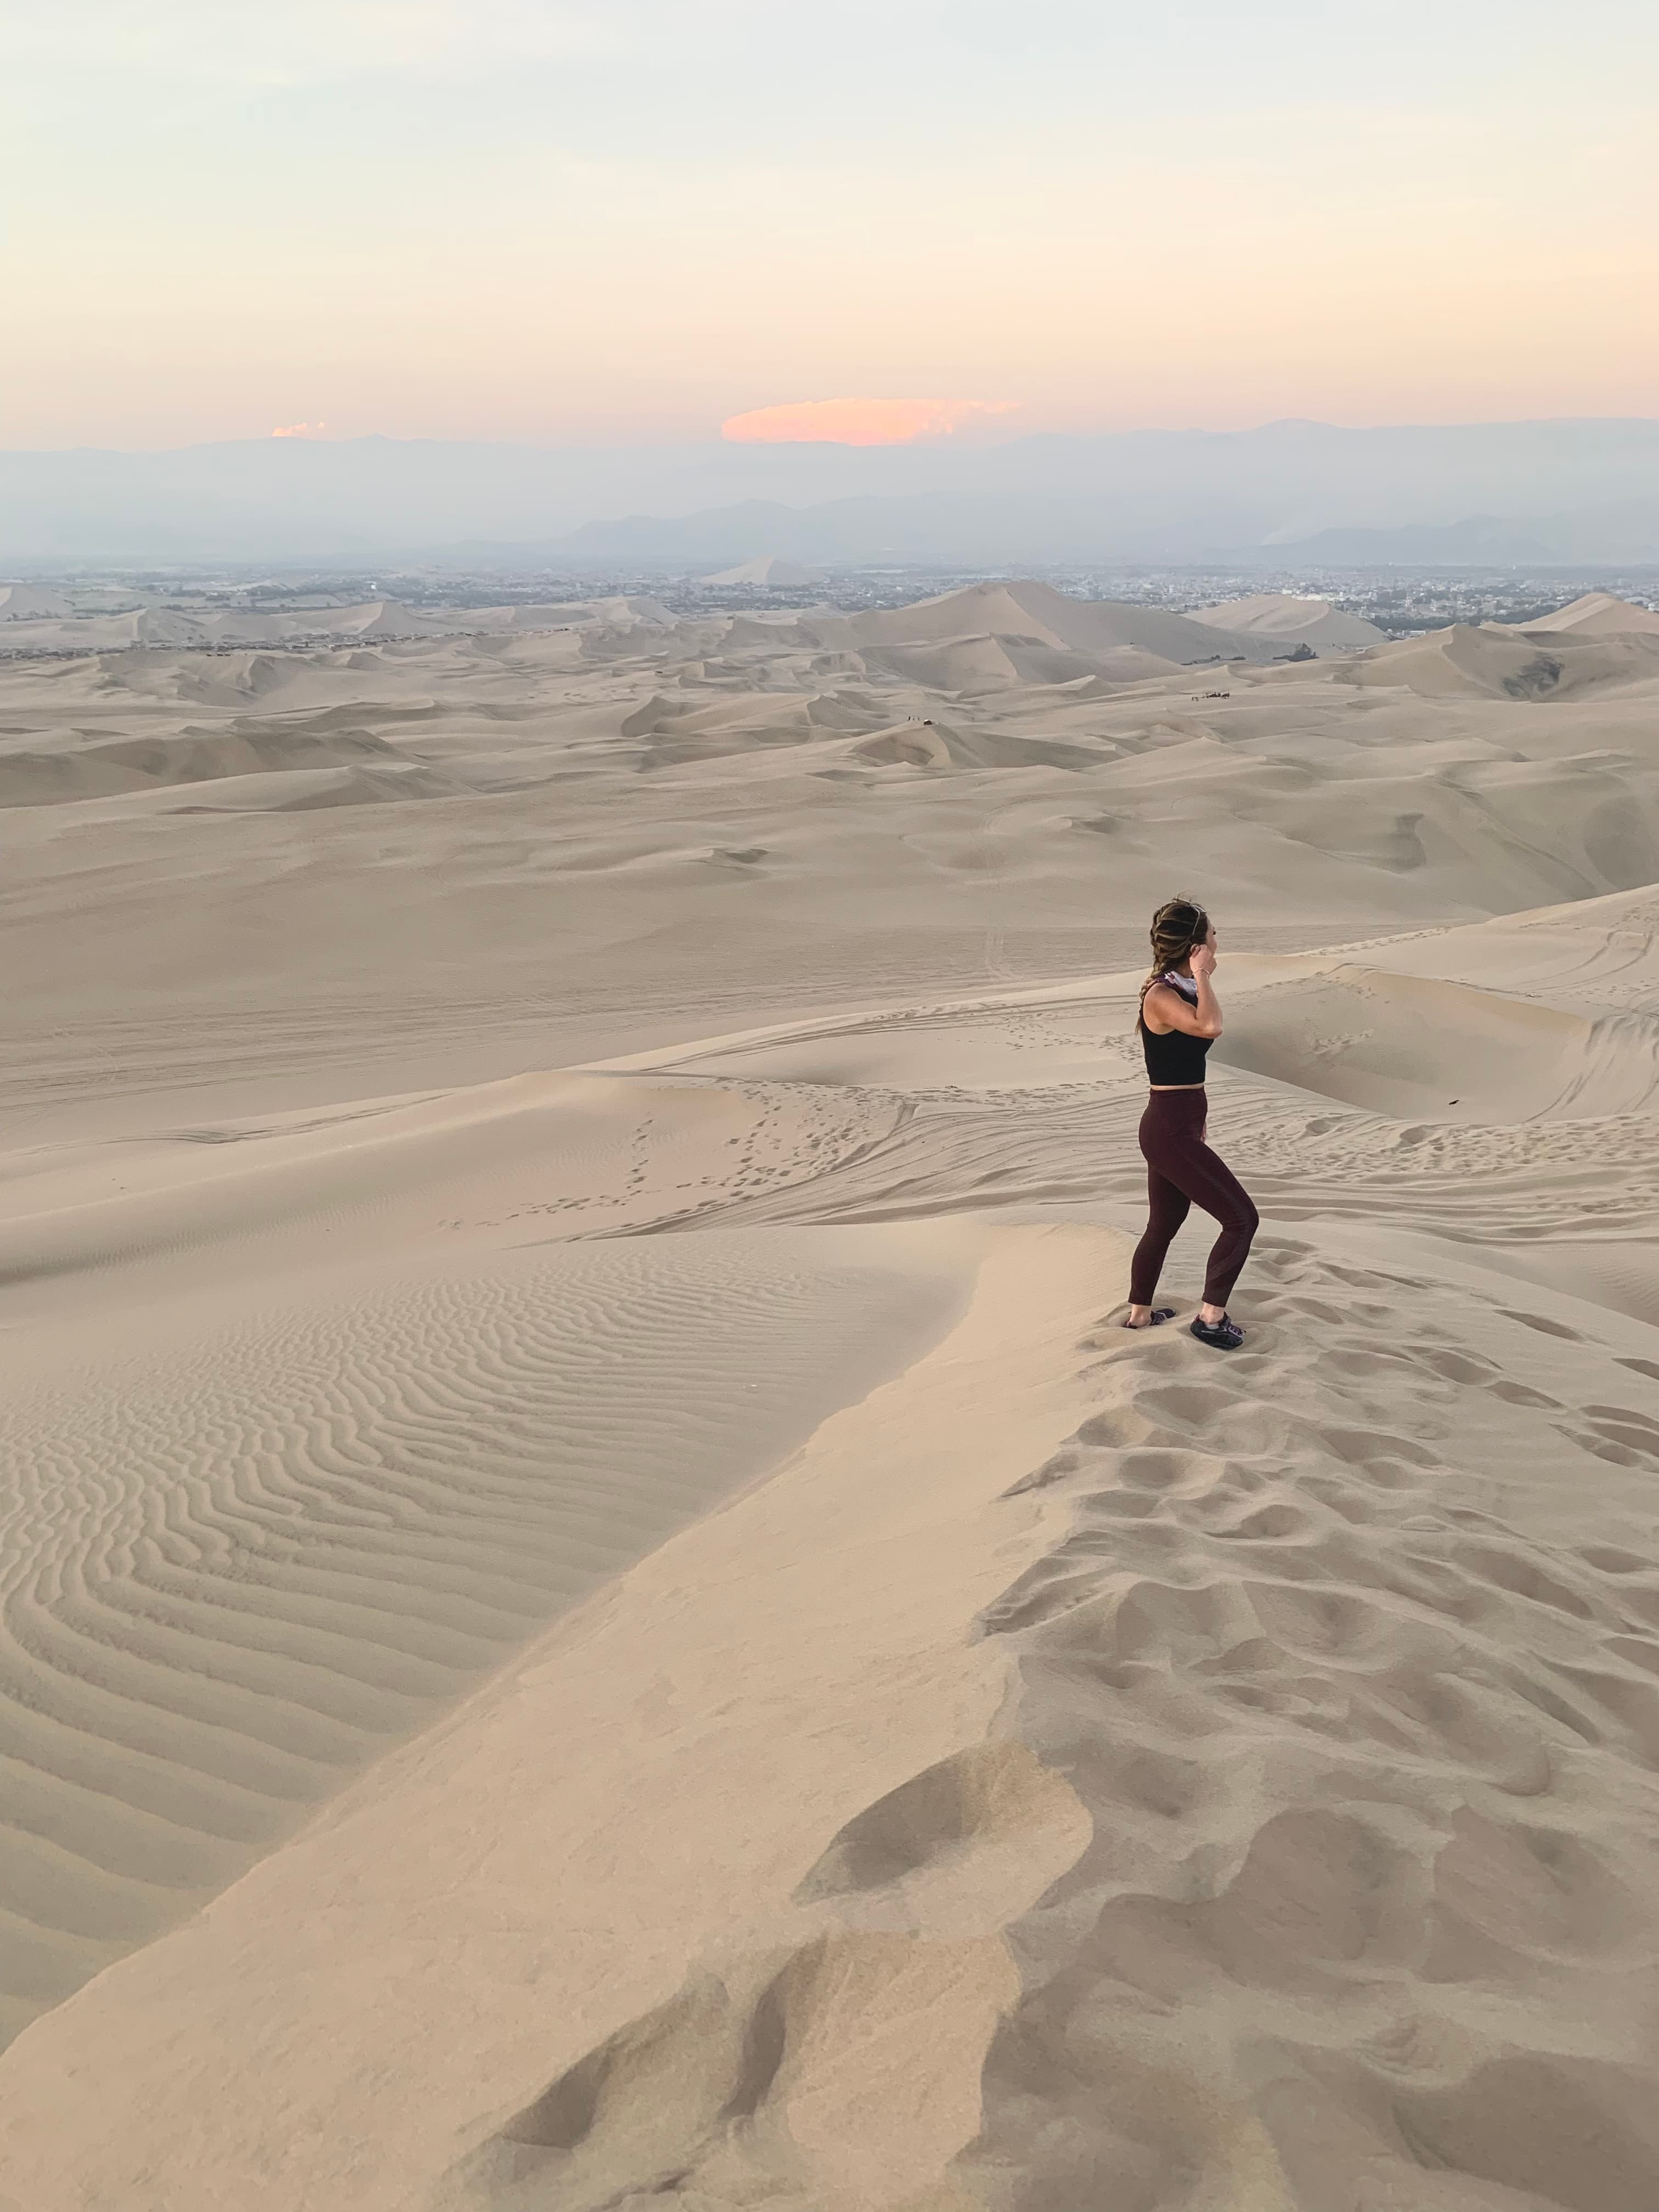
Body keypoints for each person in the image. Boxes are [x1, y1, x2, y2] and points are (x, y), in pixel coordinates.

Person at [1122, 895, 1258, 1349]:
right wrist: (1202, 973)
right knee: (1241, 1219)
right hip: (1167, 1126)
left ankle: (1140, 1315)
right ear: (1196, 946)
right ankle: (1211, 1318)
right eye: (1212, 935)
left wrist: (1196, 977)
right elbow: (1211, 1028)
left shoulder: (1178, 987)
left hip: (1177, 1122)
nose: (1218, 942)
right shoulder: (1162, 995)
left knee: (1165, 1221)